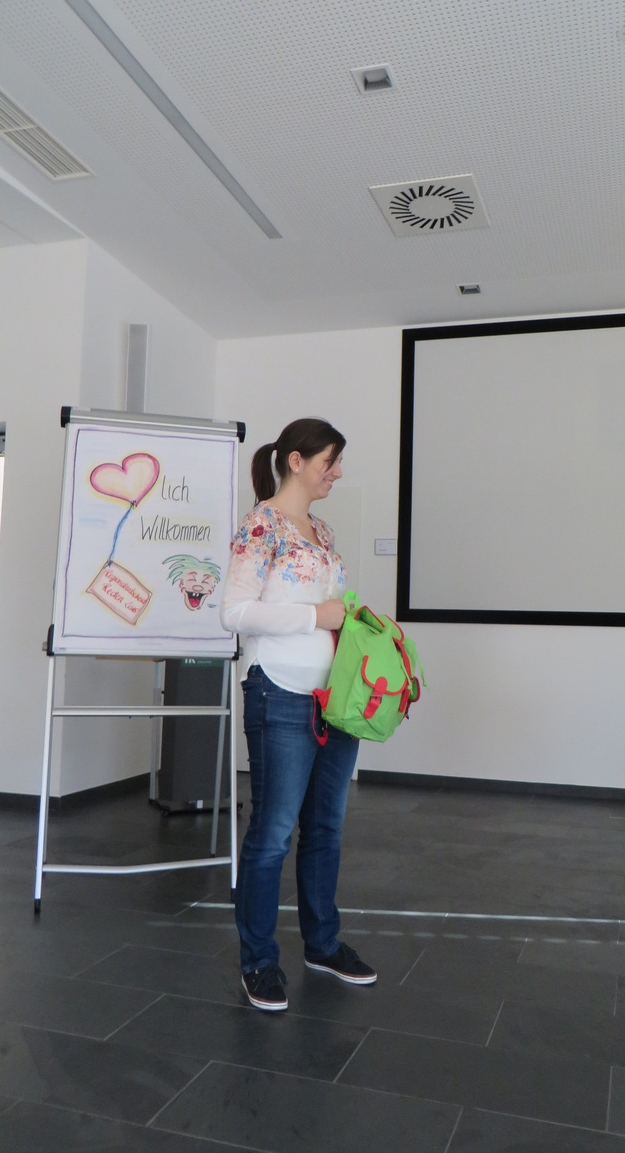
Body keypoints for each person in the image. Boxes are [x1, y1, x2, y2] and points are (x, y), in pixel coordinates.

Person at [220, 417, 376, 1012]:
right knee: (273, 833)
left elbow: (331, 609)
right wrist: (317, 616)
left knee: (326, 828)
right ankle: (259, 962)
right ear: (296, 461)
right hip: (279, 692)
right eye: (329, 462)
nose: (336, 472)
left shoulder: (323, 530)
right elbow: (234, 612)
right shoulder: (261, 525)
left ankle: (323, 945)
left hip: (333, 698)